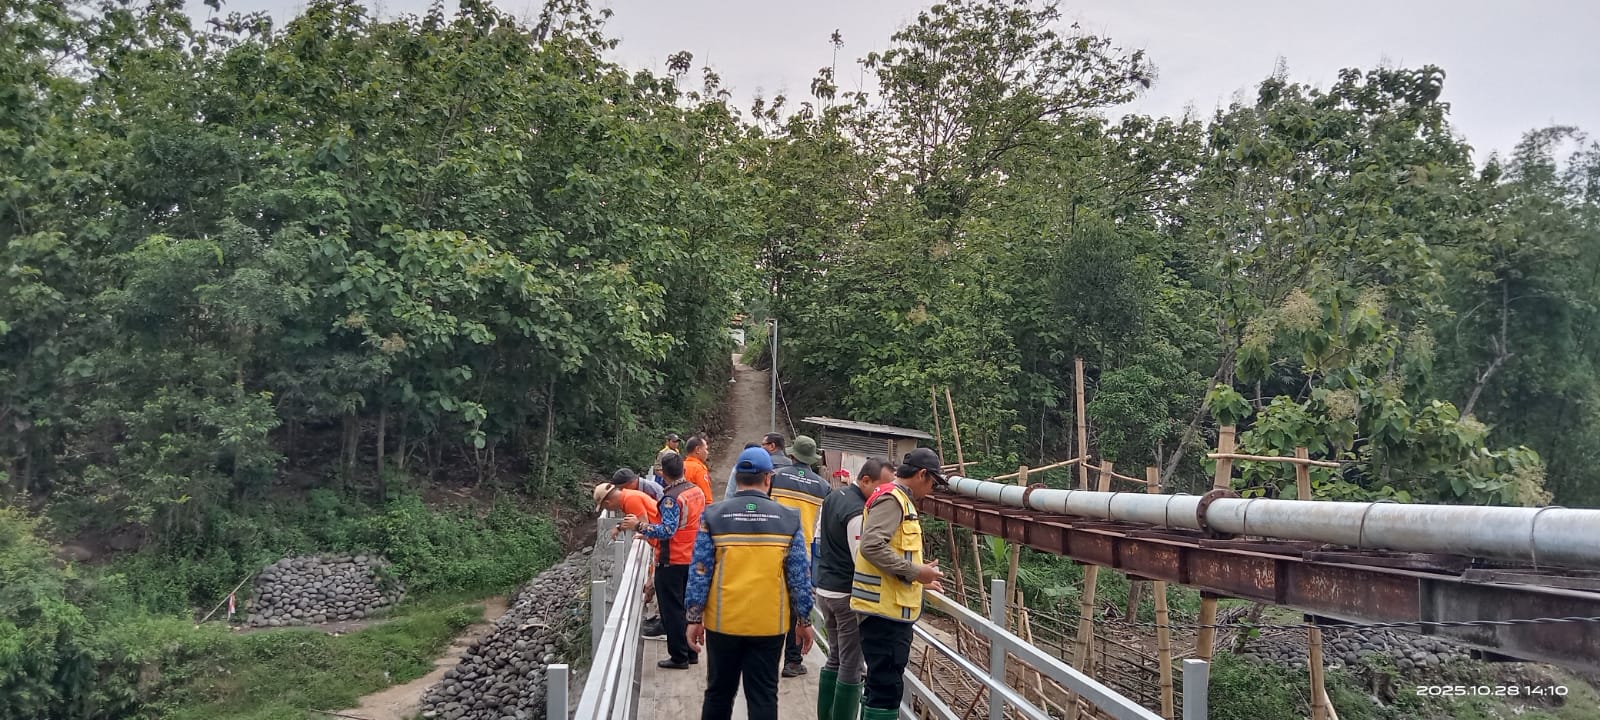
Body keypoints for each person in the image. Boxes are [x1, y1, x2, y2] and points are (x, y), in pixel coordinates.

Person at [687, 447, 815, 720]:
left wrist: (693, 617)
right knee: (764, 694)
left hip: (724, 623)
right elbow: (799, 577)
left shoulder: (713, 516)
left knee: (719, 693)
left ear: (738, 476)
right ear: (768, 478)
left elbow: (700, 571)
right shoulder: (789, 519)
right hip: (769, 625)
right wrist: (804, 621)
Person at [851, 448, 948, 720]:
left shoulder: (897, 500)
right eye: (932, 483)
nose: (931, 490)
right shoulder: (894, 500)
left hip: (887, 610)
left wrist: (919, 576)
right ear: (921, 474)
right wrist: (915, 573)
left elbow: (894, 550)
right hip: (884, 613)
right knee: (886, 691)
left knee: (880, 687)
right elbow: (871, 547)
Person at [812, 458, 893, 720]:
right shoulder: (858, 512)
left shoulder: (834, 496)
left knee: (835, 657)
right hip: (846, 596)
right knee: (852, 664)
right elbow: (862, 558)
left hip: (825, 590)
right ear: (866, 481)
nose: (887, 493)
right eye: (883, 487)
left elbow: (818, 538)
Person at [623, 452, 707, 669]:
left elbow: (668, 530)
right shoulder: (695, 491)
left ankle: (679, 656)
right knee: (688, 607)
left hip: (672, 559)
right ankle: (691, 652)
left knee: (672, 611)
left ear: (663, 473)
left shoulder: (671, 498)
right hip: (692, 556)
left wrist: (640, 526)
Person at [768, 434, 830, 678]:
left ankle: (766, 658)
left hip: (772, 546)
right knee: (798, 605)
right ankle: (792, 662)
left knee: (772, 604)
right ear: (812, 460)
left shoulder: (775, 478)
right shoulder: (823, 487)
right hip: (802, 551)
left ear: (792, 456)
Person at [725, 433, 789, 498]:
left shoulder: (760, 464)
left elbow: (731, 490)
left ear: (772, 446)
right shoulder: (791, 464)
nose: (761, 447)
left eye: (763, 444)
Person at [683, 435, 715, 504]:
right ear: (698, 450)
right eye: (706, 449)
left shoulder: (681, 466)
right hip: (697, 510)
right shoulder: (698, 469)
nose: (707, 452)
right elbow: (707, 499)